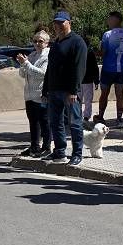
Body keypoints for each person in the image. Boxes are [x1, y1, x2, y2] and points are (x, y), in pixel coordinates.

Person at [42, 11, 87, 165]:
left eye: (62, 22)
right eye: (56, 23)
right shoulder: (56, 44)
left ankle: (77, 154)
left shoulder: (77, 42)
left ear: (69, 23)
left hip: (69, 91)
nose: (58, 26)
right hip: (54, 90)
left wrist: (74, 90)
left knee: (74, 123)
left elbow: (79, 68)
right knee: (55, 122)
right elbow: (50, 68)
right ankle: (59, 152)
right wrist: (45, 89)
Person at [16, 31, 51, 157]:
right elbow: (22, 74)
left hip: (41, 95)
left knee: (44, 122)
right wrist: (23, 64)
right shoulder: (32, 55)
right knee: (33, 122)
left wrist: (26, 64)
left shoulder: (48, 56)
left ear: (46, 43)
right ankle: (34, 146)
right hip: (29, 95)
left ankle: (47, 147)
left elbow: (42, 73)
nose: (37, 43)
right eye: (35, 41)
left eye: (40, 41)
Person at [97, 11, 123, 127]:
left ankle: (101, 117)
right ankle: (119, 120)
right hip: (122, 69)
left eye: (109, 18)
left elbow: (103, 52)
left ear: (115, 19)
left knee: (104, 94)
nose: (108, 21)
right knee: (120, 94)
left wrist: (95, 52)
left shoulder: (107, 35)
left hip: (108, 69)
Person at [80, 35, 99, 123]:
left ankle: (86, 116)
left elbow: (95, 67)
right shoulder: (76, 52)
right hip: (79, 81)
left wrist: (96, 80)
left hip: (87, 80)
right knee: (78, 100)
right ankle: (78, 116)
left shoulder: (90, 53)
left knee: (87, 100)